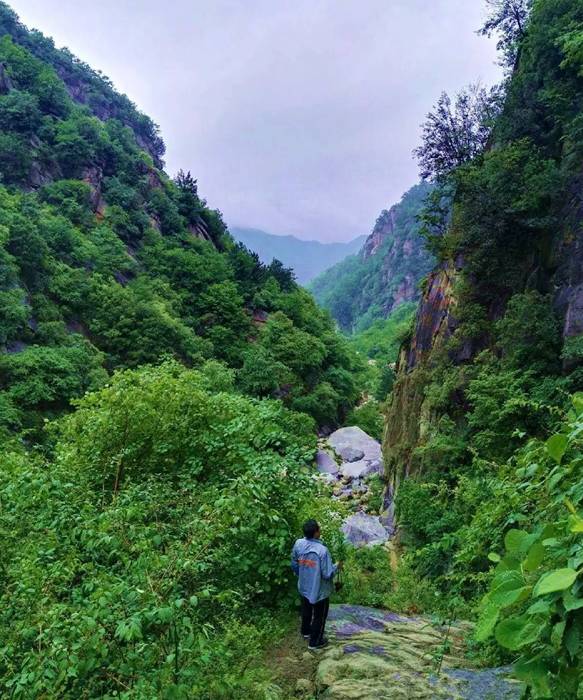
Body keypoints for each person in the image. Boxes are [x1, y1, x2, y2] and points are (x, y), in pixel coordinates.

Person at [291, 519, 343, 650]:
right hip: (319, 590)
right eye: (319, 529)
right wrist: (337, 566)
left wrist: (302, 574)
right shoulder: (322, 551)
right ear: (315, 533)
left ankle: (306, 631)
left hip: (304, 585)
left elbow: (294, 563)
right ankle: (315, 641)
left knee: (306, 610)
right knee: (320, 615)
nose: (320, 531)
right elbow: (327, 574)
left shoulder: (298, 544)